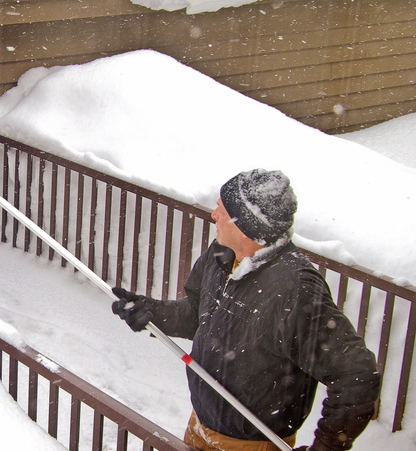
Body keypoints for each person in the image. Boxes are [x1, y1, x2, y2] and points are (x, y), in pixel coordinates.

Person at [111, 169, 380, 451]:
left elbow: (356, 376)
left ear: (247, 225)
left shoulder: (294, 289)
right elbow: (196, 313)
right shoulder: (222, 254)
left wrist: (326, 447)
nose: (213, 215)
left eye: (222, 209)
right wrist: (153, 313)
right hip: (200, 426)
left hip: (252, 445)